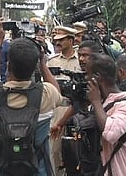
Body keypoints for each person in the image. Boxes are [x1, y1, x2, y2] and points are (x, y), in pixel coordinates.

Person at [0, 29, 62, 175]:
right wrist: (42, 62)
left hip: (3, 168)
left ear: (8, 66)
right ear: (34, 69)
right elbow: (57, 91)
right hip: (37, 169)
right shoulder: (46, 94)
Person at [86, 53, 126, 175]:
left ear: (97, 77)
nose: (86, 79)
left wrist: (96, 102)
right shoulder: (102, 101)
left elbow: (111, 134)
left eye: (87, 74)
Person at [46, 25, 80, 174]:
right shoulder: (52, 61)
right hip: (58, 109)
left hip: (77, 108)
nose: (58, 42)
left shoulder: (81, 60)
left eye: (62, 40)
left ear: (71, 41)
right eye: (56, 40)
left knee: (77, 150)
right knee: (54, 150)